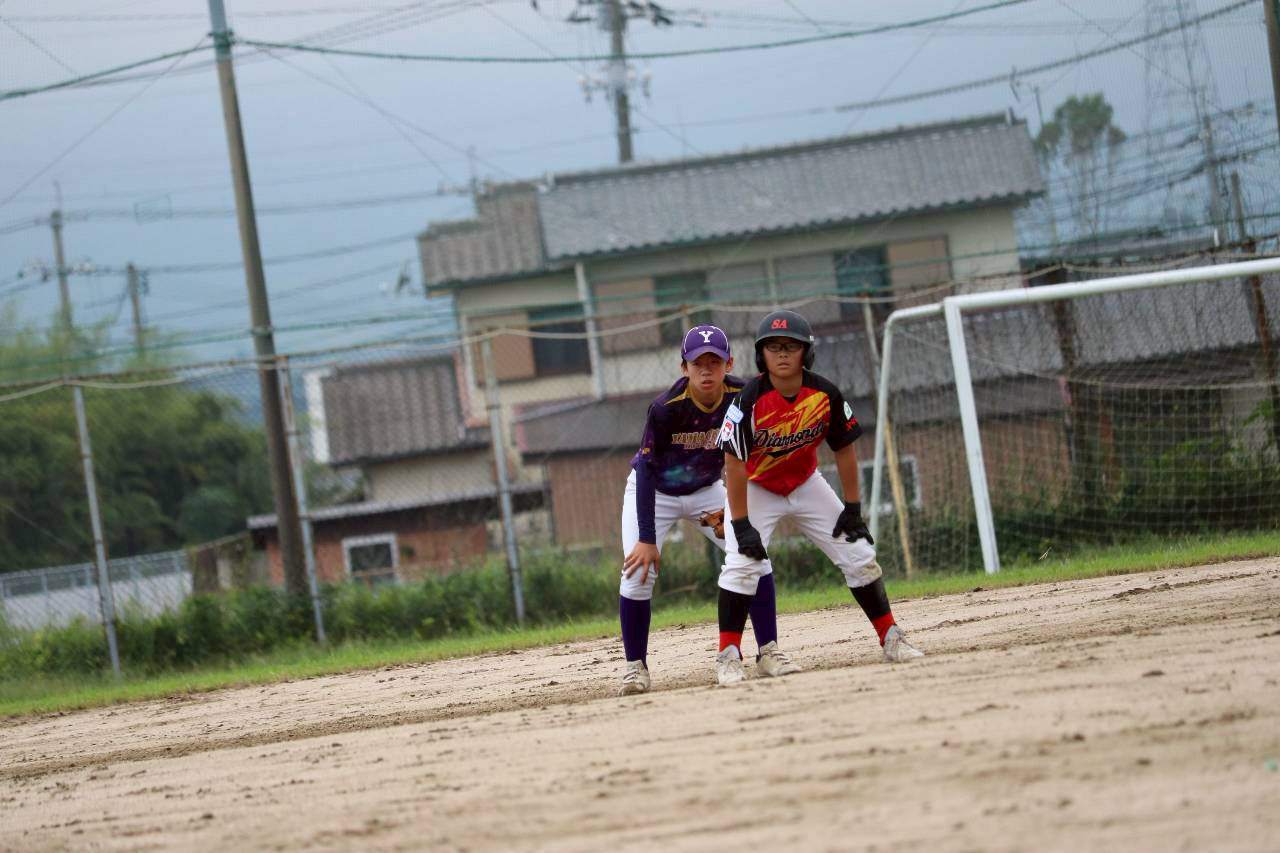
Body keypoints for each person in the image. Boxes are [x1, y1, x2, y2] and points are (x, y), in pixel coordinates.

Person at [714, 309, 923, 686]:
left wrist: (853, 508)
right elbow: (734, 462)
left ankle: (891, 637)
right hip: (757, 486)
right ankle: (728, 655)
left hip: (805, 483)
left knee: (859, 553)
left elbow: (844, 449)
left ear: (806, 353)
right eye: (773, 347)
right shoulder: (749, 400)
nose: (782, 354)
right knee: (742, 565)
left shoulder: (825, 393)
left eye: (791, 346)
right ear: (761, 355)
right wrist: (741, 523)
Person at [618, 324, 801, 696]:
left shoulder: (743, 396)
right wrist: (647, 539)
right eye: (697, 363)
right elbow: (647, 470)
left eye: (714, 362)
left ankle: (768, 652)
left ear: (728, 364)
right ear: (683, 368)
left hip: (707, 491)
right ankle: (635, 669)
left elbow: (757, 447)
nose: (706, 370)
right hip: (655, 492)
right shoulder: (665, 408)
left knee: (754, 557)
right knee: (638, 573)